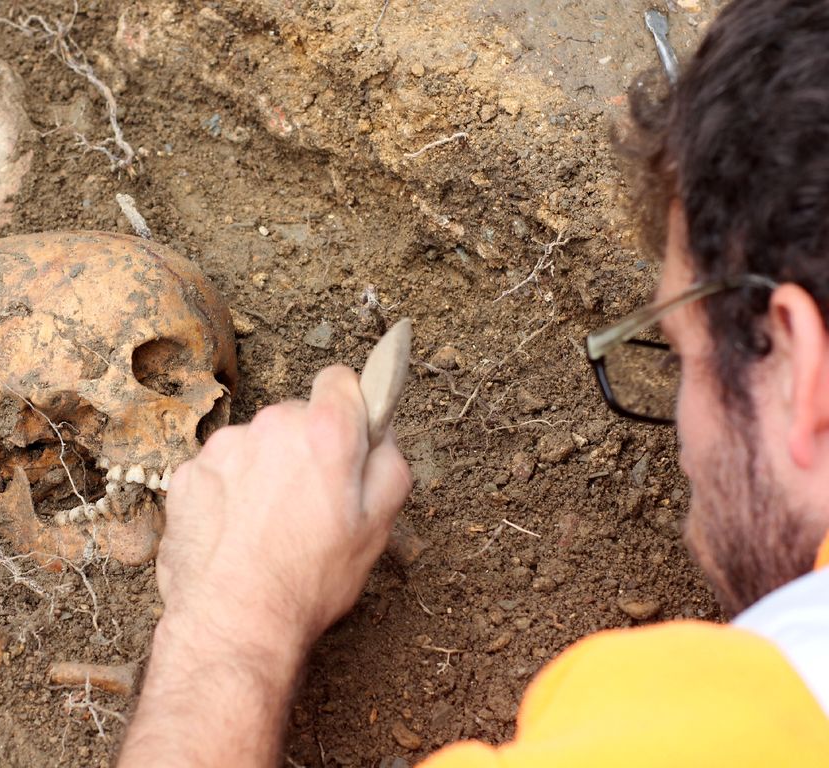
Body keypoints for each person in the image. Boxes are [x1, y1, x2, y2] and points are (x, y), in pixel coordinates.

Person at [116, 0, 829, 764]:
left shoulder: (705, 730)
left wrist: (232, 620)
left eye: (678, 356)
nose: (682, 444)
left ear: (796, 364)